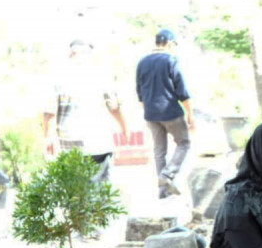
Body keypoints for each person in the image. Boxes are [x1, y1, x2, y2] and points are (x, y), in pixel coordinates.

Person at [44, 40, 128, 183]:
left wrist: (48, 139)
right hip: (99, 143)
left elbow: (50, 113)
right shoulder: (100, 73)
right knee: (101, 195)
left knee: (77, 195)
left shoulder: (58, 76)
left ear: (71, 53)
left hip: (70, 147)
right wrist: (125, 129)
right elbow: (114, 107)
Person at [135, 29, 194, 199]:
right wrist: (190, 114)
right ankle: (166, 176)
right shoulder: (171, 60)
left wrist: (149, 110)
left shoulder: (142, 62)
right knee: (184, 143)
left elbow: (139, 92)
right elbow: (182, 91)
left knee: (160, 150)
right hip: (170, 112)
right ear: (169, 43)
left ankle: (163, 191)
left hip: (151, 114)